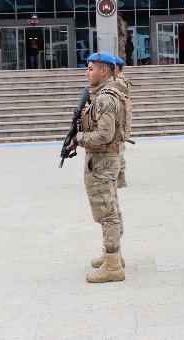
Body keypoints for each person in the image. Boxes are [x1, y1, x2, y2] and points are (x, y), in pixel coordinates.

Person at [65, 52, 127, 283]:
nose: (87, 72)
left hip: (102, 161)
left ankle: (113, 265)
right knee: (110, 207)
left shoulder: (105, 98)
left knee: (107, 212)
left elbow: (104, 134)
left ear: (104, 71)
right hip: (103, 160)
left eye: (90, 68)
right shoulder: (105, 94)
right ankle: (113, 255)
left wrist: (79, 138)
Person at [113, 57, 132, 188]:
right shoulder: (119, 80)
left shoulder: (119, 81)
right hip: (119, 118)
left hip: (120, 120)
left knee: (118, 149)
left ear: (116, 68)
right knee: (118, 148)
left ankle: (121, 178)